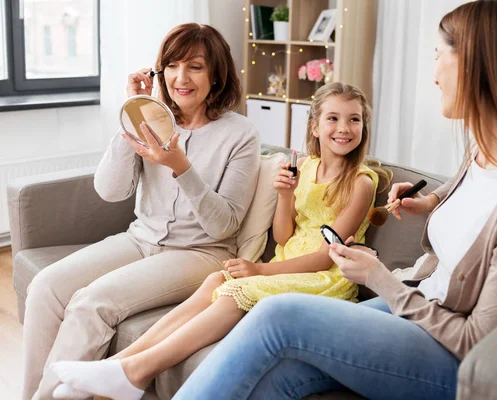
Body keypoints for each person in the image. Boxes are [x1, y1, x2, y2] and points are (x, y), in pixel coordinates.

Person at [170, 1, 497, 399]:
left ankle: (130, 376)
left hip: (455, 357)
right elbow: (470, 196)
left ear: (474, 65)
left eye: (439, 55)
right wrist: (431, 201)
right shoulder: (483, 150)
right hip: (424, 307)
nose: (434, 73)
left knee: (279, 314)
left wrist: (380, 278)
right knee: (280, 374)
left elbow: (475, 340)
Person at [49, 82, 392, 400]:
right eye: (333, 118)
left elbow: (324, 257)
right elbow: (283, 236)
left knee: (234, 292)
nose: (344, 128)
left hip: (324, 279)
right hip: (285, 267)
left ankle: (135, 373)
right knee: (216, 279)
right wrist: (285, 196)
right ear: (315, 126)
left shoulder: (361, 182)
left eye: (354, 120)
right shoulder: (304, 165)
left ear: (364, 128)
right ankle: (115, 364)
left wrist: (258, 269)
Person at [21, 23, 261, 400]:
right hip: (140, 238)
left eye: (195, 67)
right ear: (159, 71)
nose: (181, 77)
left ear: (217, 74)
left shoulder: (241, 134)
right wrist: (130, 116)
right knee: (45, 288)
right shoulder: (151, 117)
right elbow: (109, 190)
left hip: (200, 253)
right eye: (172, 65)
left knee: (91, 302)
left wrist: (181, 167)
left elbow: (224, 225)